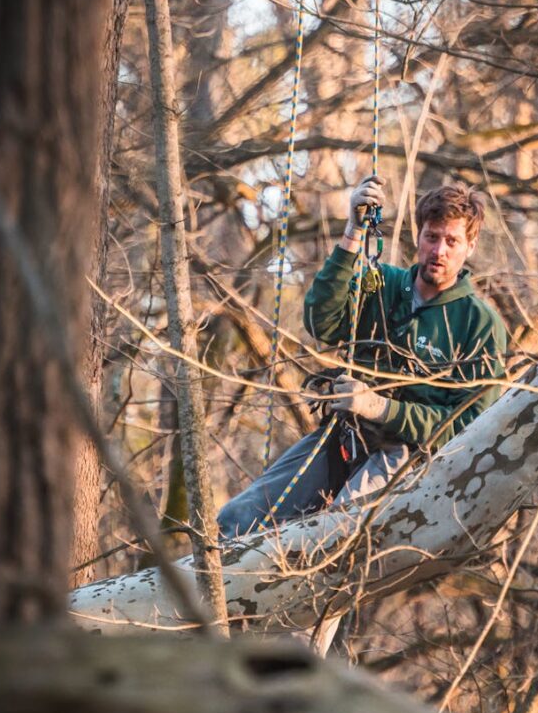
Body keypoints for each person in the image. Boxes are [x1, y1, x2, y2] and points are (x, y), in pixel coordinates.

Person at [217, 176, 506, 540]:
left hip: (407, 456)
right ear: (418, 236)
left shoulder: (478, 323)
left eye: (452, 241)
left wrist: (382, 408)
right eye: (432, 237)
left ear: (470, 245)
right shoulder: (383, 284)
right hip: (344, 436)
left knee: (331, 538)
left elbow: (471, 427)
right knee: (236, 520)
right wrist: (353, 233)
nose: (440, 251)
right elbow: (321, 321)